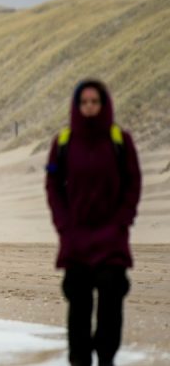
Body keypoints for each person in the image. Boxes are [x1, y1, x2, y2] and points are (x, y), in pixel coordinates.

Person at [45, 80, 141, 366]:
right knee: (78, 303)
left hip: (111, 236)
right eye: (84, 102)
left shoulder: (119, 141)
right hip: (76, 237)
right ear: (77, 106)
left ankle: (107, 357)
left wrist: (123, 220)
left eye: (94, 102)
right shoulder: (63, 143)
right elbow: (53, 186)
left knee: (112, 299)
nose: (89, 108)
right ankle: (80, 359)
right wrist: (64, 225)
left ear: (103, 104)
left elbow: (133, 182)